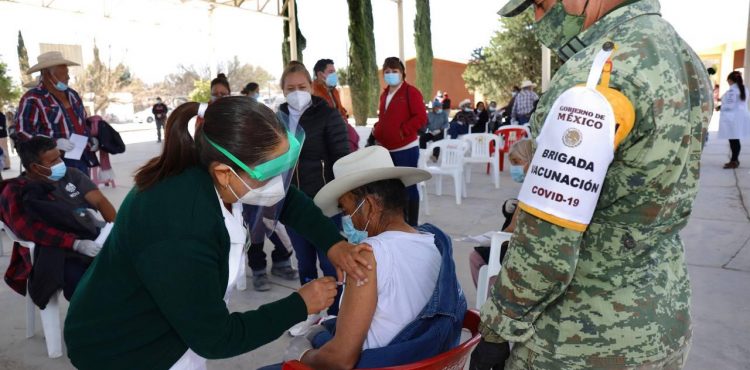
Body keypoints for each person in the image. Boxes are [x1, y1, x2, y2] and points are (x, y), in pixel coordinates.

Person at [471, 0, 713, 369]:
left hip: (581, 337)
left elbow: (545, 247)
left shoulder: (595, 74)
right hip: (664, 316)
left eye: (540, 4)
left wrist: (497, 330)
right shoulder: (681, 55)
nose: (538, 19)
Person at [63, 97, 373, 369]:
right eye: (269, 174)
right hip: (124, 349)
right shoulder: (180, 225)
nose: (279, 184)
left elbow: (286, 199)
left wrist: (334, 245)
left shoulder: (211, 170)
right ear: (224, 173)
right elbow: (215, 338)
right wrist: (299, 305)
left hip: (173, 324)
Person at [265, 146, 466, 369]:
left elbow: (340, 360)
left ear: (369, 205)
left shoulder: (367, 256)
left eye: (347, 209)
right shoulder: (434, 242)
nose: (348, 219)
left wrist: (301, 354)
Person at [276, 61, 351, 333]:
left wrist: (344, 197)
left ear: (311, 86)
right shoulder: (277, 118)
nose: (297, 92)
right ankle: (309, 312)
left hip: (325, 203)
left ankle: (335, 314)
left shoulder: (328, 115)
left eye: (302, 87)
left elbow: (342, 157)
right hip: (292, 204)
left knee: (330, 260)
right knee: (304, 261)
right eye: (290, 88)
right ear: (282, 90)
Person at [1, 136, 116, 308]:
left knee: (126, 268)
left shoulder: (72, 175)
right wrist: (75, 243)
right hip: (54, 251)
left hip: (92, 238)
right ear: (34, 167)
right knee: (81, 285)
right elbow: (29, 230)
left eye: (59, 157)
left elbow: (100, 201)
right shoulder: (17, 190)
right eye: (53, 161)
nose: (60, 163)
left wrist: (115, 229)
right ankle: (94, 320)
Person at [371, 57, 428, 227]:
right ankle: (399, 223)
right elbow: (385, 118)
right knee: (393, 189)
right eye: (387, 71)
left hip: (406, 148)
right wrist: (378, 130)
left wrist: (403, 131)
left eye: (394, 71)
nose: (391, 74)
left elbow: (421, 117)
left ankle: (412, 224)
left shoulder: (411, 92)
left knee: (409, 186)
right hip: (388, 150)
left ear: (402, 73)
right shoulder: (384, 95)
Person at [468, 139, 533, 288]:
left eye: (517, 162)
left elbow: (513, 227)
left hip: (520, 248)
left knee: (477, 257)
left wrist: (495, 239)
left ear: (530, 160)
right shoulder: (531, 186)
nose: (514, 168)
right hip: (516, 243)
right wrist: (509, 206)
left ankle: (491, 300)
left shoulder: (533, 189)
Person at [17, 51, 91, 175]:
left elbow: (83, 122)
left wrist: (90, 138)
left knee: (83, 192)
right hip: (55, 162)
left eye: (67, 73)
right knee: (61, 194)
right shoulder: (33, 98)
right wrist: (55, 143)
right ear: (48, 74)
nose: (68, 77)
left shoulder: (72, 95)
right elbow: (24, 132)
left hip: (80, 157)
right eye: (63, 73)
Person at [312, 58, 360, 152]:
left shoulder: (334, 91)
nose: (334, 75)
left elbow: (340, 110)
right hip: (326, 139)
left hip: (339, 133)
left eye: (334, 71)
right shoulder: (313, 92)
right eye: (331, 71)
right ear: (320, 74)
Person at [717, 71, 750, 169]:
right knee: (735, 139)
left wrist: (720, 107)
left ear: (731, 80)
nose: (728, 83)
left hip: (733, 119)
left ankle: (734, 161)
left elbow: (729, 106)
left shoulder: (733, 91)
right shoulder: (744, 89)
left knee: (733, 140)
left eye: (728, 81)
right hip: (740, 117)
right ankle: (735, 160)